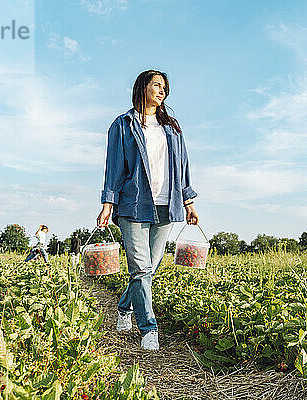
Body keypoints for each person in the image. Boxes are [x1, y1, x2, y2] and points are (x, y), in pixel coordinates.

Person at [97, 69, 199, 351]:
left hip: (167, 204)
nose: (162, 90)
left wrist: (188, 201)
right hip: (133, 204)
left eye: (164, 87)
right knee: (141, 269)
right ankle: (148, 329)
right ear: (142, 87)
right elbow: (113, 167)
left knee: (149, 269)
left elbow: (183, 167)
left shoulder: (173, 127)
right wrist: (108, 202)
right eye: (156, 85)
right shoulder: (122, 125)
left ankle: (124, 308)